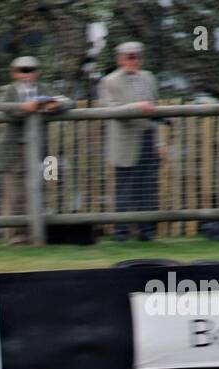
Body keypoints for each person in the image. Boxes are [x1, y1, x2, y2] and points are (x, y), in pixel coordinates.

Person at [0, 57, 72, 244]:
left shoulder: (45, 89)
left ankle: (41, 235)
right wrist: (24, 107)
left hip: (44, 153)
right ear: (14, 73)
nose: (26, 74)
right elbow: (1, 105)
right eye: (22, 70)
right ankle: (17, 238)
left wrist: (57, 105)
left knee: (44, 189)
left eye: (30, 70)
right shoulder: (7, 90)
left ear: (38, 72)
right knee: (16, 197)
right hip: (13, 153)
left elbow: (69, 102)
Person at [98, 41, 165, 241]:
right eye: (129, 57)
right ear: (119, 59)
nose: (133, 60)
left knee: (148, 187)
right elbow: (111, 109)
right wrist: (137, 106)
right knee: (125, 188)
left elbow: (157, 112)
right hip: (125, 142)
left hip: (148, 138)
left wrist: (160, 143)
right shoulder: (109, 81)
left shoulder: (149, 77)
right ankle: (121, 233)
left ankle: (147, 232)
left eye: (136, 56)